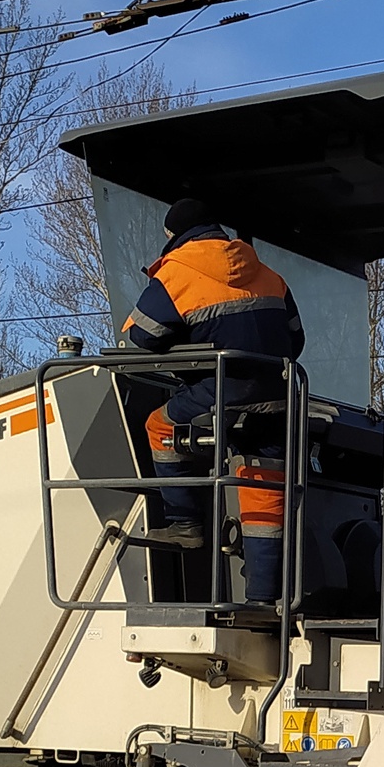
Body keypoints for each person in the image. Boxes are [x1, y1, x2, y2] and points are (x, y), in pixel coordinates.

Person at [123, 198, 305, 606]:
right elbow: (296, 340)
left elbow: (142, 337)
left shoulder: (177, 274)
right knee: (263, 499)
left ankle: (185, 523)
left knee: (161, 426)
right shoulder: (267, 273)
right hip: (278, 399)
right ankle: (262, 599)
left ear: (174, 235)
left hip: (222, 393)